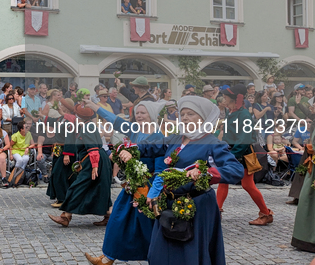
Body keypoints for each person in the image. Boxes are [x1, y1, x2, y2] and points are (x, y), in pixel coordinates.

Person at [113, 96, 244, 265]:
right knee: (160, 251)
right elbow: (153, 146)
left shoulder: (212, 143)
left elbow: (235, 169)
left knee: (190, 250)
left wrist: (206, 173)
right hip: (169, 203)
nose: (185, 117)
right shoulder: (177, 138)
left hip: (197, 205)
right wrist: (133, 149)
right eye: (183, 114)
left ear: (203, 119)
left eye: (191, 114)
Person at [84, 100, 166, 264]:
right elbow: (114, 119)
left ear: (151, 114)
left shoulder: (158, 137)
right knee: (117, 219)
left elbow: (159, 169)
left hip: (147, 189)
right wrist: (94, 107)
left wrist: (153, 192)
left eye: (143, 112)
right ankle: (108, 257)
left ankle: (159, 258)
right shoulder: (135, 130)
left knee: (148, 227)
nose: (140, 115)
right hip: (132, 185)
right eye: (137, 112)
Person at [48, 100, 112, 228]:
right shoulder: (89, 126)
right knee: (101, 187)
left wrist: (94, 166)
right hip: (99, 159)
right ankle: (109, 215)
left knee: (77, 187)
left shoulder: (87, 128)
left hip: (92, 160)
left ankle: (66, 216)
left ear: (79, 116)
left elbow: (92, 148)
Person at [217, 84, 274, 225]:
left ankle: (266, 213)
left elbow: (244, 139)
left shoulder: (243, 115)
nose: (223, 100)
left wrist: (230, 155)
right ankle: (216, 212)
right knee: (225, 181)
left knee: (247, 185)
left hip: (241, 154)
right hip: (234, 152)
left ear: (235, 99)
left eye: (225, 98)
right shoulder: (233, 112)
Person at [291, 92, 315, 252]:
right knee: (307, 200)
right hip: (314, 166)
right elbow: (308, 111)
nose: (314, 104)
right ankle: (305, 240)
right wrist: (298, 104)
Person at [45, 98, 77, 206]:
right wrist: (40, 115)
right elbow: (51, 121)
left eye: (61, 105)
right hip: (58, 148)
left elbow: (69, 138)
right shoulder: (60, 119)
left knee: (60, 173)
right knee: (55, 171)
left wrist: (67, 154)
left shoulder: (70, 121)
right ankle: (59, 197)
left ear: (65, 107)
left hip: (66, 149)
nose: (59, 106)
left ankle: (63, 198)